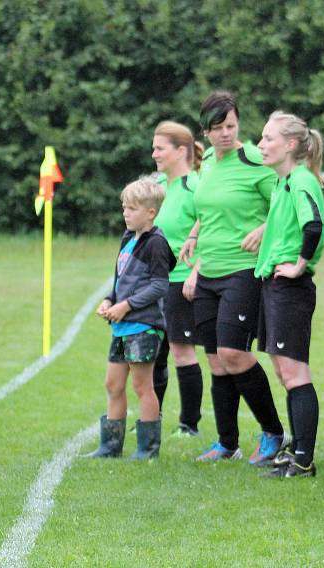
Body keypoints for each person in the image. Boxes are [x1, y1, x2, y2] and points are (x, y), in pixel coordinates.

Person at [180, 91, 286, 463]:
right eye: (217, 128)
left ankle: (274, 433)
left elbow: (285, 201)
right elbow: (206, 208)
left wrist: (263, 227)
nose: (225, 134)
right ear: (205, 130)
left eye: (231, 126)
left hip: (242, 269)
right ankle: (227, 443)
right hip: (207, 270)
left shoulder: (255, 158)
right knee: (214, 359)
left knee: (233, 353)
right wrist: (194, 235)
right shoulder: (207, 159)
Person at [255, 111, 324, 478]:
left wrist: (299, 264)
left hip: (290, 287)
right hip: (274, 283)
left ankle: (303, 458)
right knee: (285, 370)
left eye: (268, 139)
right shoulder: (282, 182)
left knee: (295, 372)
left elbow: (313, 224)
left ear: (291, 145)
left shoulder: (301, 180)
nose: (261, 145)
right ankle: (296, 450)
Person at [86, 177, 175, 459]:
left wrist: (126, 306)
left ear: (151, 212)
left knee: (141, 386)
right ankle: (110, 446)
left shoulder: (157, 244)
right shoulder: (128, 238)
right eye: (124, 207)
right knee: (112, 384)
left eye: (132, 208)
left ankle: (147, 449)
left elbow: (160, 285)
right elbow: (121, 278)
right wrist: (110, 299)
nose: (125, 213)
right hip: (122, 326)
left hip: (144, 325)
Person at [151, 121, 205, 437]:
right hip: (153, 282)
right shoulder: (157, 184)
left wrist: (196, 270)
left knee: (182, 350)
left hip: (181, 279)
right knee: (153, 351)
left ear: (180, 150)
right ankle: (151, 418)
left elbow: (212, 227)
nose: (154, 153)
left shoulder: (196, 186)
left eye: (160, 148)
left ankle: (189, 424)